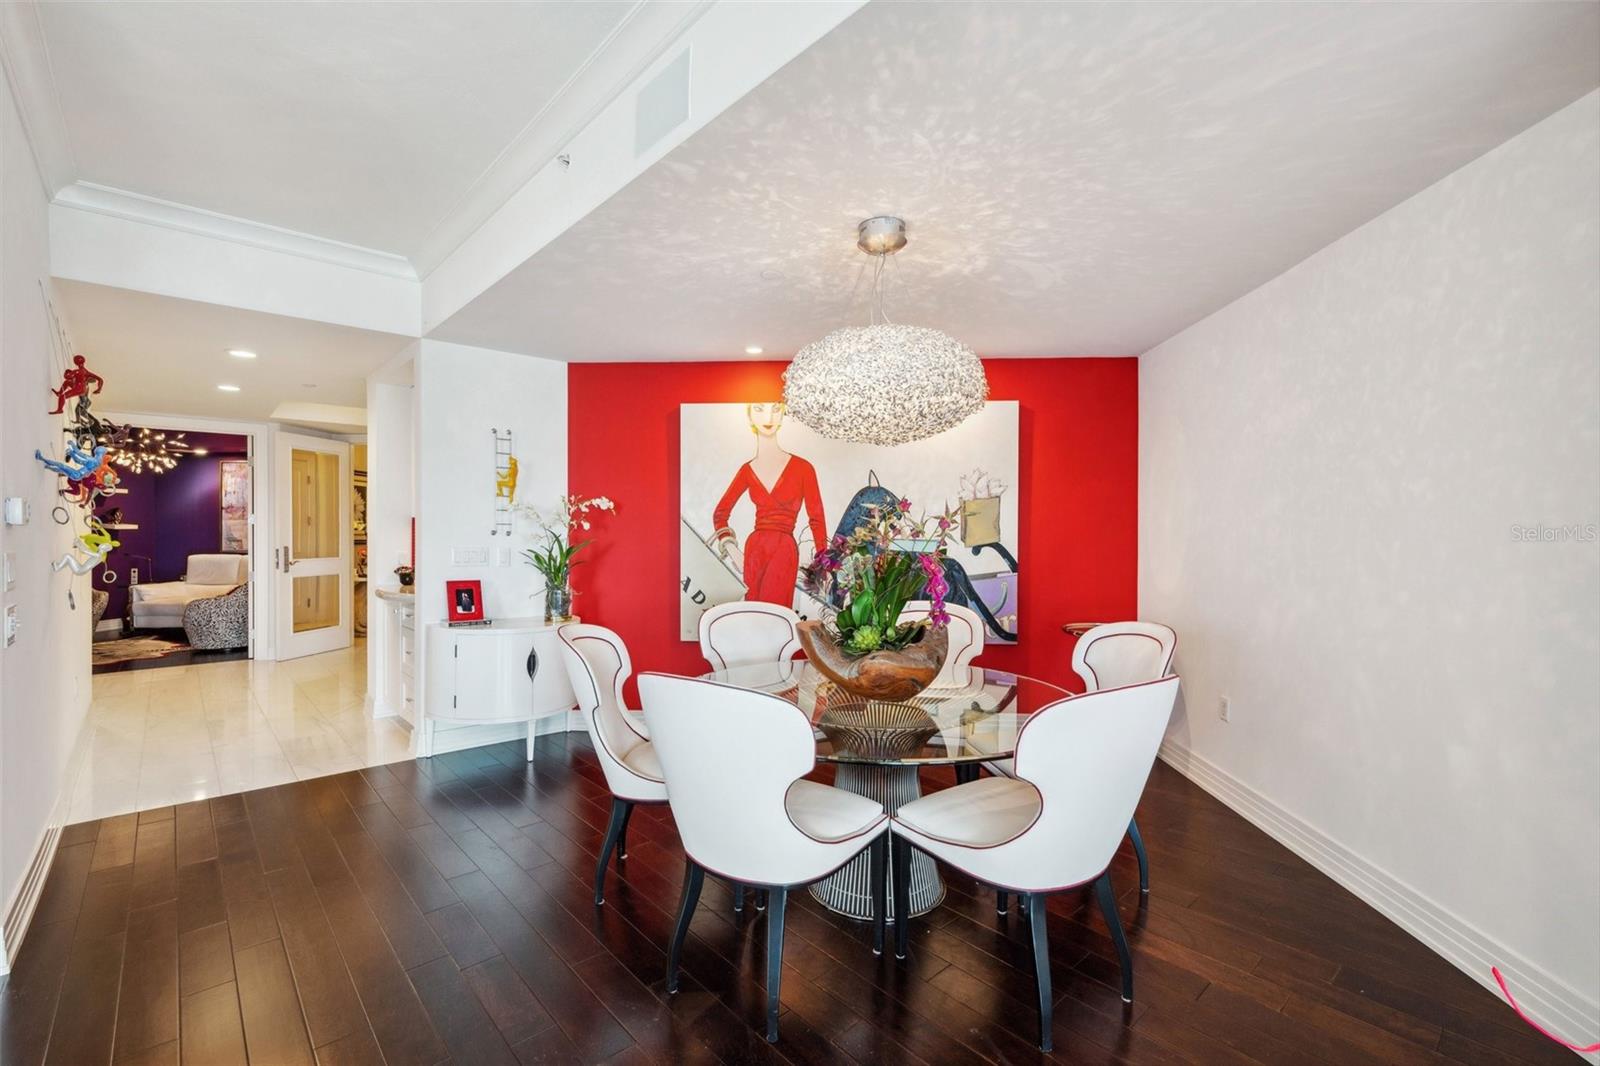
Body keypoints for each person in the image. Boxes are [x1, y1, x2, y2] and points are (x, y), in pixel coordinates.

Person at [711, 402, 827, 606]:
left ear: (783, 415)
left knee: (775, 614)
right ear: (749, 417)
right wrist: (732, 549)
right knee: (753, 613)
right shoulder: (747, 470)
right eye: (759, 409)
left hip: (784, 550)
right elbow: (720, 514)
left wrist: (823, 566)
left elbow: (816, 519)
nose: (768, 417)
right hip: (755, 549)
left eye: (775, 409)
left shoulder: (803, 468)